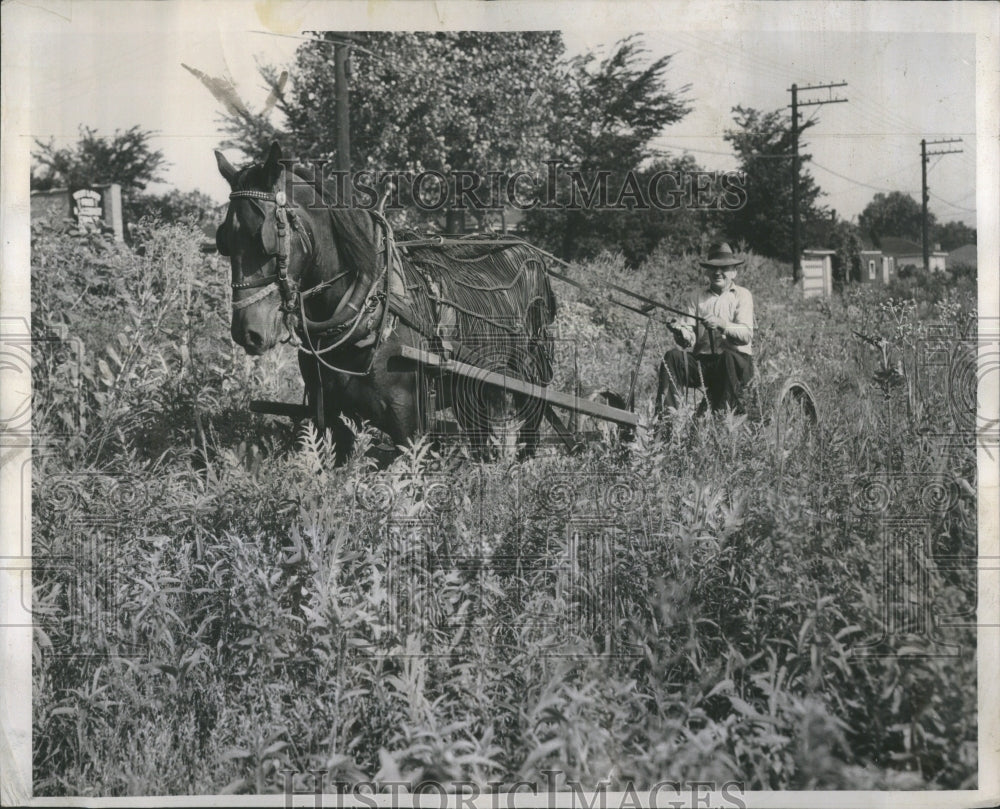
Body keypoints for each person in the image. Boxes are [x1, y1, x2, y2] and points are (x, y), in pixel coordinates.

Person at [656, 242, 755, 417]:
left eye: (724, 268)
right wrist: (679, 331)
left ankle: (724, 419)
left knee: (726, 357)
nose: (718, 272)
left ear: (734, 272)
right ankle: (666, 419)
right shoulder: (696, 296)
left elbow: (746, 335)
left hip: (736, 364)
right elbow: (689, 339)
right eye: (713, 268)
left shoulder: (742, 295)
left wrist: (721, 324)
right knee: (672, 357)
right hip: (705, 364)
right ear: (707, 271)